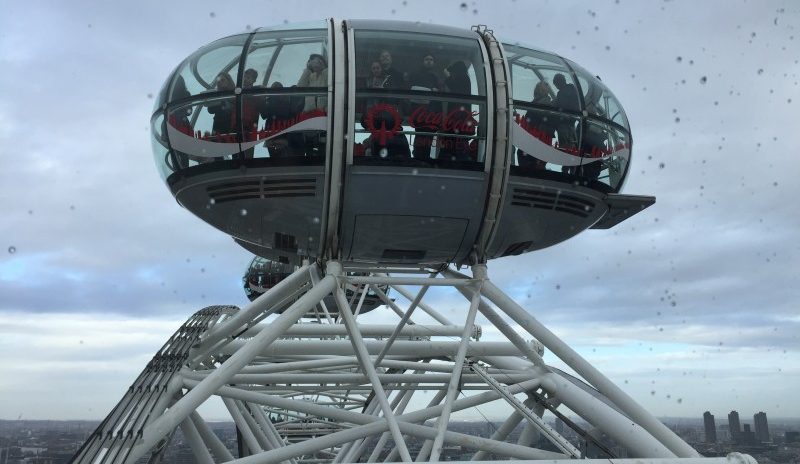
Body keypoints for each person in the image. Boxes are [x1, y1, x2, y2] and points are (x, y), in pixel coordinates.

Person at [438, 61, 475, 161]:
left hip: (457, 120)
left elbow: (455, 90)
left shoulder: (462, 78)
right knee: (459, 148)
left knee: (452, 147)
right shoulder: (466, 79)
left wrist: (448, 77)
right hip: (461, 121)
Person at [408, 53, 443, 159]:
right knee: (420, 137)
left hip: (431, 114)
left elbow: (441, 96)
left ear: (434, 62)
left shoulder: (437, 77)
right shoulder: (416, 74)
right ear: (423, 61)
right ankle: (418, 157)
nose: (429, 61)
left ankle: (422, 158)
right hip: (420, 113)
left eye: (431, 59)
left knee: (427, 139)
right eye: (427, 59)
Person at [517, 81, 557, 170]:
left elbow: (533, 121)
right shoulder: (547, 104)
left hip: (534, 141)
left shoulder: (539, 104)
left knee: (528, 168)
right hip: (538, 142)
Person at [207, 72, 236, 142]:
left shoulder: (236, 93)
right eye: (219, 81)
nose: (220, 82)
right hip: (219, 126)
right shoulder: (216, 94)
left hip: (233, 125)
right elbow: (210, 110)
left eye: (223, 80)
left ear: (229, 81)